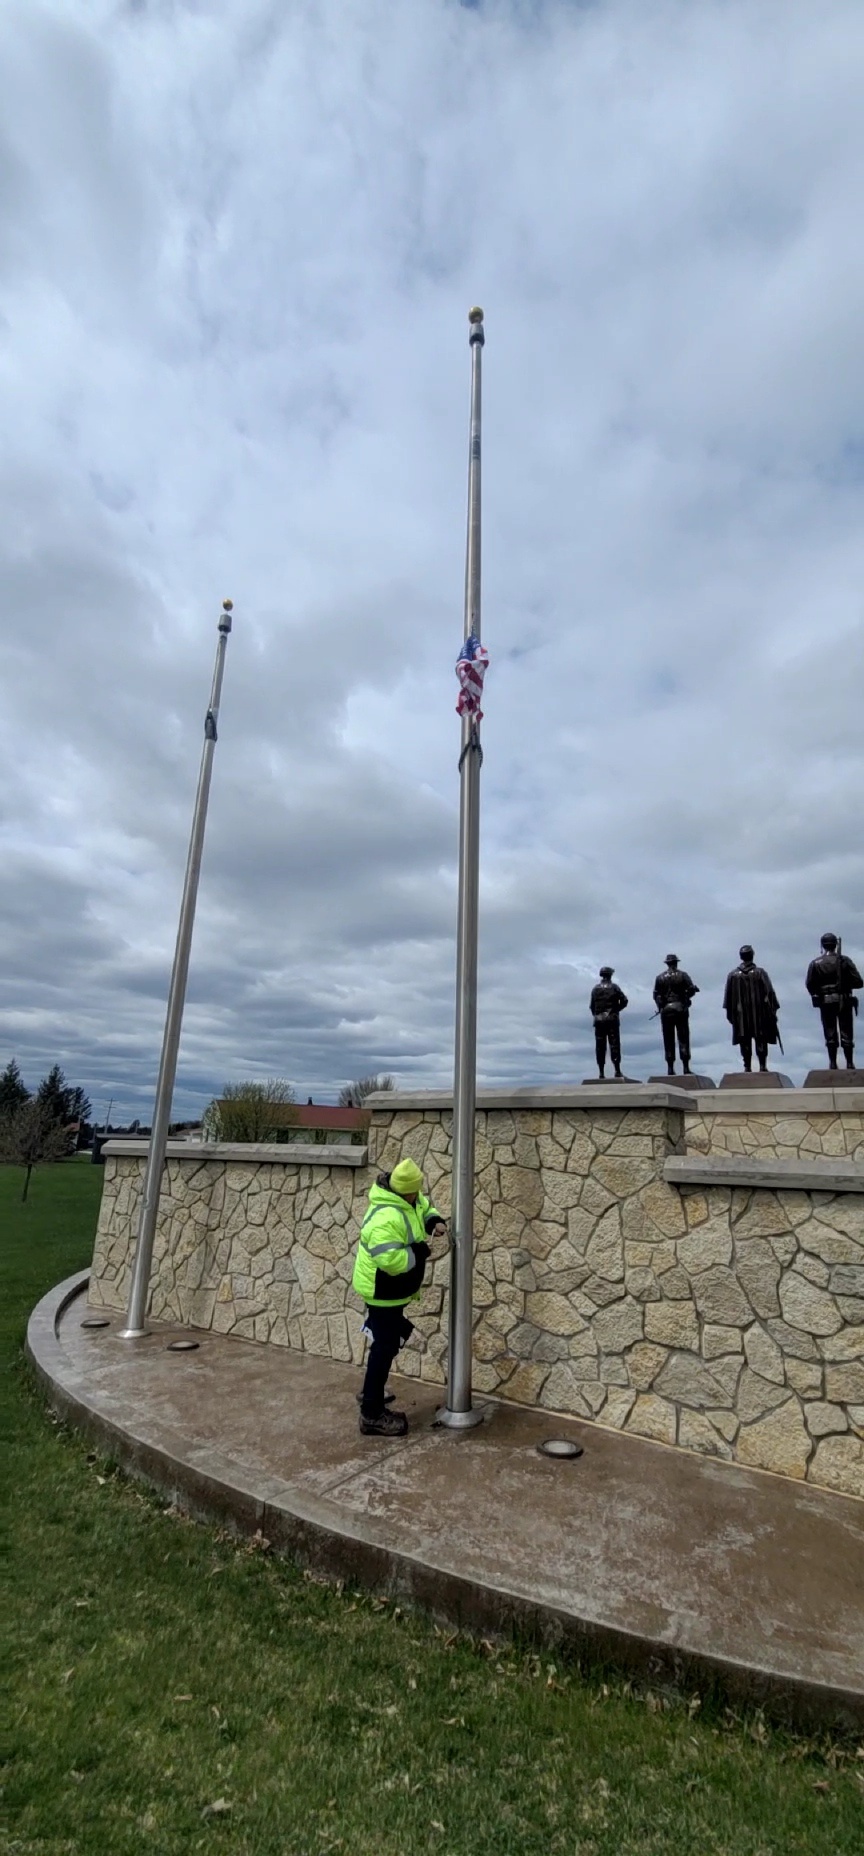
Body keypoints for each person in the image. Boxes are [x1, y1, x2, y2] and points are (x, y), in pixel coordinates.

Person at [352, 1157, 446, 1437]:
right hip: (382, 1292)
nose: (418, 1195)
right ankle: (371, 1413)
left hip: (390, 1293)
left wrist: (433, 1221)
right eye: (414, 1191)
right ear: (403, 1190)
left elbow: (424, 1206)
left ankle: (372, 1393)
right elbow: (390, 1260)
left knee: (387, 1342)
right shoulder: (385, 1216)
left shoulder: (408, 1197)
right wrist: (420, 1252)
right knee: (384, 1347)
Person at [805, 933, 863, 1071]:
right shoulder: (845, 961)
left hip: (826, 1001)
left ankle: (833, 1063)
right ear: (835, 944)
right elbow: (859, 982)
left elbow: (810, 985)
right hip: (843, 999)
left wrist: (821, 991)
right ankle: (849, 1063)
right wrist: (845, 984)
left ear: (823, 945)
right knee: (846, 1032)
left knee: (830, 1032)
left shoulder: (816, 963)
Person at [723, 945, 780, 1072]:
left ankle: (747, 1066)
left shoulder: (733, 975)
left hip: (741, 1014)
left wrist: (730, 1014)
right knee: (760, 1039)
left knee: (745, 1039)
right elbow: (770, 993)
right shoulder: (760, 973)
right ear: (752, 955)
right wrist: (773, 1011)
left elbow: (728, 999)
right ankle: (762, 1065)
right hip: (758, 1014)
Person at [653, 954, 699, 1076]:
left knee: (668, 1039)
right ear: (676, 963)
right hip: (680, 1008)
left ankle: (670, 1068)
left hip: (667, 1009)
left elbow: (656, 995)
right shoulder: (683, 975)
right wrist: (687, 997)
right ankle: (685, 1067)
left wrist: (660, 1006)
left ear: (667, 963)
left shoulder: (660, 977)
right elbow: (691, 990)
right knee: (683, 1037)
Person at [589, 966, 628, 1079]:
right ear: (610, 975)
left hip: (599, 1020)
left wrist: (597, 1015)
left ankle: (601, 1072)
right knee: (614, 1044)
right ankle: (617, 1070)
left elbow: (592, 1006)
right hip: (612, 1019)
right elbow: (625, 1001)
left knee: (600, 1046)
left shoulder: (595, 989)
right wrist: (616, 1010)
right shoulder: (614, 987)